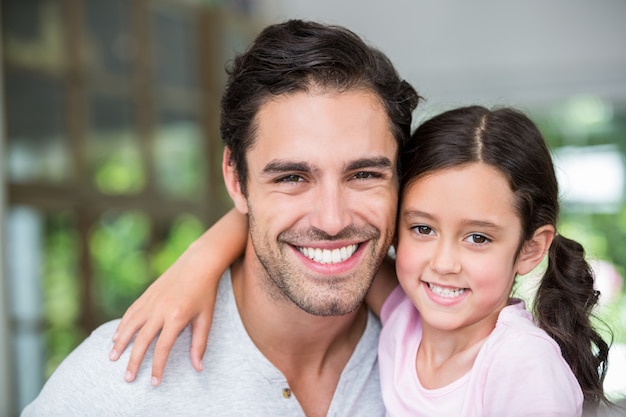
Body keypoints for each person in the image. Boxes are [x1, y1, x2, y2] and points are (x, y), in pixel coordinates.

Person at [21, 19, 419, 417]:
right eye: (292, 177)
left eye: (364, 175)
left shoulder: (451, 354)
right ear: (234, 177)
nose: (332, 220)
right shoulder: (115, 387)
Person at [111, 106, 614, 416]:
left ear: (530, 248)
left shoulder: (521, 365)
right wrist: (198, 262)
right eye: (422, 229)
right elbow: (308, 226)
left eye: (478, 238)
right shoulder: (403, 317)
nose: (443, 263)